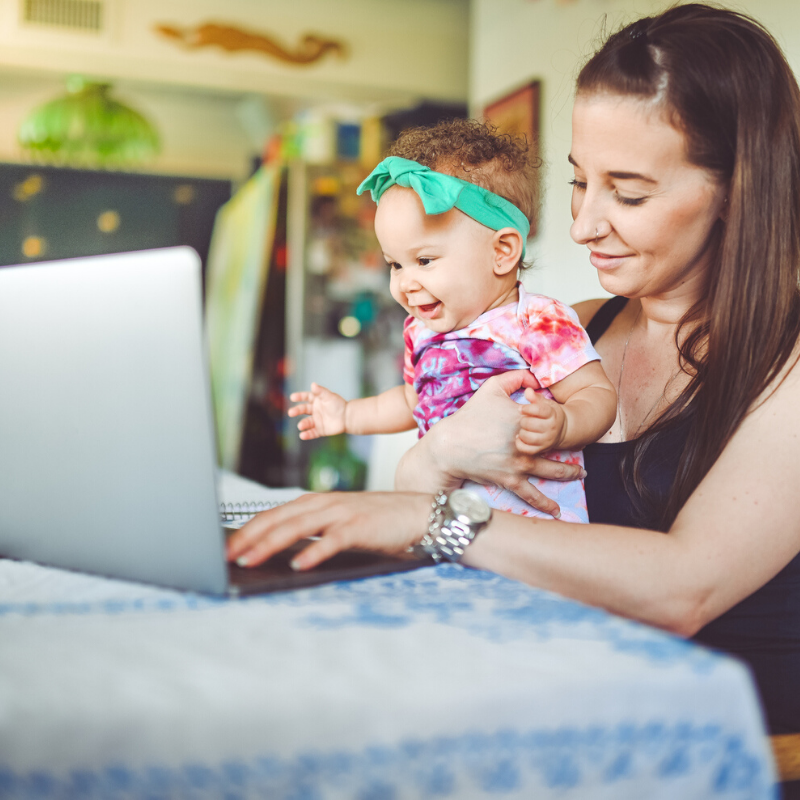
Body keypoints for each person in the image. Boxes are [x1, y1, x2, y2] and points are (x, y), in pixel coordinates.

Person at [228, 3, 800, 740]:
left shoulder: (787, 359)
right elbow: (422, 490)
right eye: (577, 182)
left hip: (714, 744)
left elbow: (682, 589)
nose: (584, 224)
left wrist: (440, 520)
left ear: (738, 190)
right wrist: (435, 456)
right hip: (557, 689)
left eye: (628, 193)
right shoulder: (576, 323)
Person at [288, 122, 616, 522]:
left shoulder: (536, 321)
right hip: (450, 525)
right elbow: (411, 402)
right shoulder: (421, 333)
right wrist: (349, 415)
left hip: (538, 529)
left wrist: (565, 424)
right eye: (395, 264)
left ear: (503, 252)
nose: (406, 283)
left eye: (424, 260)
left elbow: (597, 395)